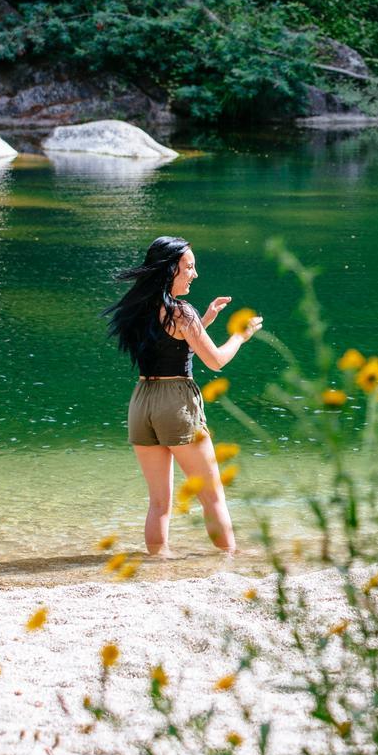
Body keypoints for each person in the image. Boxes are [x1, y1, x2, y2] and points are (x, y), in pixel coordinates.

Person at [104, 236, 262, 555]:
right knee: (212, 496)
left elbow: (170, 345)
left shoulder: (138, 309)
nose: (195, 274)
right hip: (175, 403)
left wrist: (203, 322)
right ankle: (228, 562)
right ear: (172, 268)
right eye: (190, 266)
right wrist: (240, 337)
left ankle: (156, 564)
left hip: (142, 402)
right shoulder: (180, 312)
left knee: (159, 502)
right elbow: (215, 360)